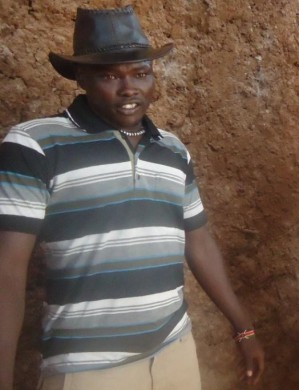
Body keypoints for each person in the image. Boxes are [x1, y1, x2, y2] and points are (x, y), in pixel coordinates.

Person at [0, 6, 264, 390]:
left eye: (140, 73)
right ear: (82, 79)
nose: (129, 89)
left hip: (174, 351)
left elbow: (200, 244)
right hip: (88, 369)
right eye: (109, 75)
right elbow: (7, 272)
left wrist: (244, 329)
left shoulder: (173, 151)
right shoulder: (35, 145)